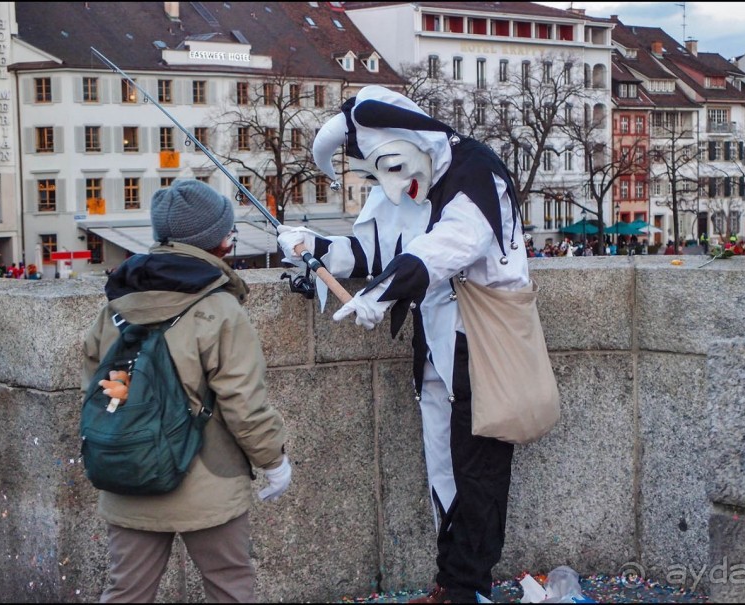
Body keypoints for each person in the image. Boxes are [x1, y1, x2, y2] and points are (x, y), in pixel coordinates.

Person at [278, 85, 531, 603]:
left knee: (478, 470)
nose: (391, 189)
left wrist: (380, 294)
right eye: (377, 175)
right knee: (443, 468)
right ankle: (453, 584)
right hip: (435, 346)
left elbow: (450, 245)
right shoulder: (410, 179)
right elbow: (372, 250)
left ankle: (468, 589)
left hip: (483, 344)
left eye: (390, 168)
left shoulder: (474, 170)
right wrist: (311, 245)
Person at [82, 179, 291, 603]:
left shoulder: (116, 304)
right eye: (227, 230)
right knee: (230, 587)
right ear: (215, 240)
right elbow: (244, 404)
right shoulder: (219, 307)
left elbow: (97, 387)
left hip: (129, 472)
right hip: (207, 479)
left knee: (126, 591)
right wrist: (273, 460)